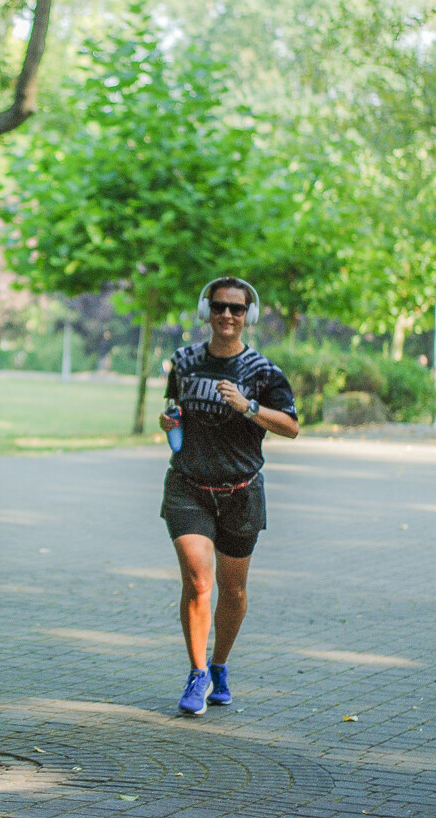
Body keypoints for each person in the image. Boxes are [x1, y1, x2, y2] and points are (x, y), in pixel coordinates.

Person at [159, 277, 298, 716]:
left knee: (233, 591)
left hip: (240, 491)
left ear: (248, 316)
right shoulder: (183, 362)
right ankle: (198, 672)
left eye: (236, 309)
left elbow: (292, 426)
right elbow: (174, 411)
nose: (227, 316)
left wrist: (248, 407)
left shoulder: (263, 372)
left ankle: (220, 665)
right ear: (207, 310)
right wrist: (169, 423)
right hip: (189, 487)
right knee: (199, 583)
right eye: (219, 307)